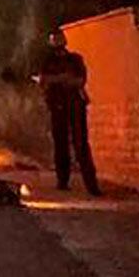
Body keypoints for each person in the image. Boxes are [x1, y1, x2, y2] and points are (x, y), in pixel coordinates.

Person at [34, 27, 101, 195]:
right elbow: (44, 80)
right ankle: (62, 181)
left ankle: (91, 185)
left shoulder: (75, 59)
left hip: (75, 105)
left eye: (59, 38)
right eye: (54, 39)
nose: (57, 41)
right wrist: (61, 79)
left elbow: (79, 80)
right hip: (57, 106)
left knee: (81, 144)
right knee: (61, 144)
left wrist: (58, 80)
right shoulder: (47, 61)